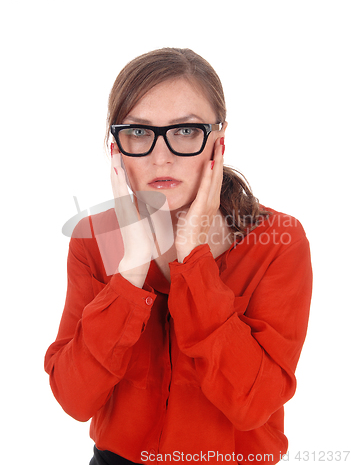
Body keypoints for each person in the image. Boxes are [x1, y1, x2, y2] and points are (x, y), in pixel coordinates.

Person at [44, 48, 313, 465]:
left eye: (186, 131)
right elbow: (75, 398)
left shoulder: (279, 242)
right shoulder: (91, 240)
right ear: (114, 147)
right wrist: (131, 267)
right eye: (138, 131)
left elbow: (253, 405)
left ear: (218, 140)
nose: (161, 155)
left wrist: (195, 261)